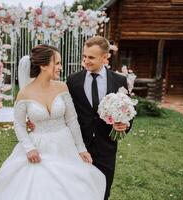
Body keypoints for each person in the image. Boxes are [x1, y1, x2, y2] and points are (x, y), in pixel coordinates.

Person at [0, 44, 106, 200]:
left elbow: (72, 120)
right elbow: (19, 125)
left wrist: (81, 148)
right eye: (57, 63)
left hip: (65, 145)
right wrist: (29, 148)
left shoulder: (62, 87)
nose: (60, 67)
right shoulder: (24, 93)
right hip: (39, 147)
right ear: (43, 65)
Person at [67, 36, 132, 200]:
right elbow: (65, 111)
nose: (86, 61)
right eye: (84, 56)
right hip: (80, 147)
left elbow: (128, 109)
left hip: (106, 147)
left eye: (91, 57)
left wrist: (125, 124)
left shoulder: (119, 80)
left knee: (103, 190)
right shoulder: (73, 81)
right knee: (78, 191)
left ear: (105, 57)